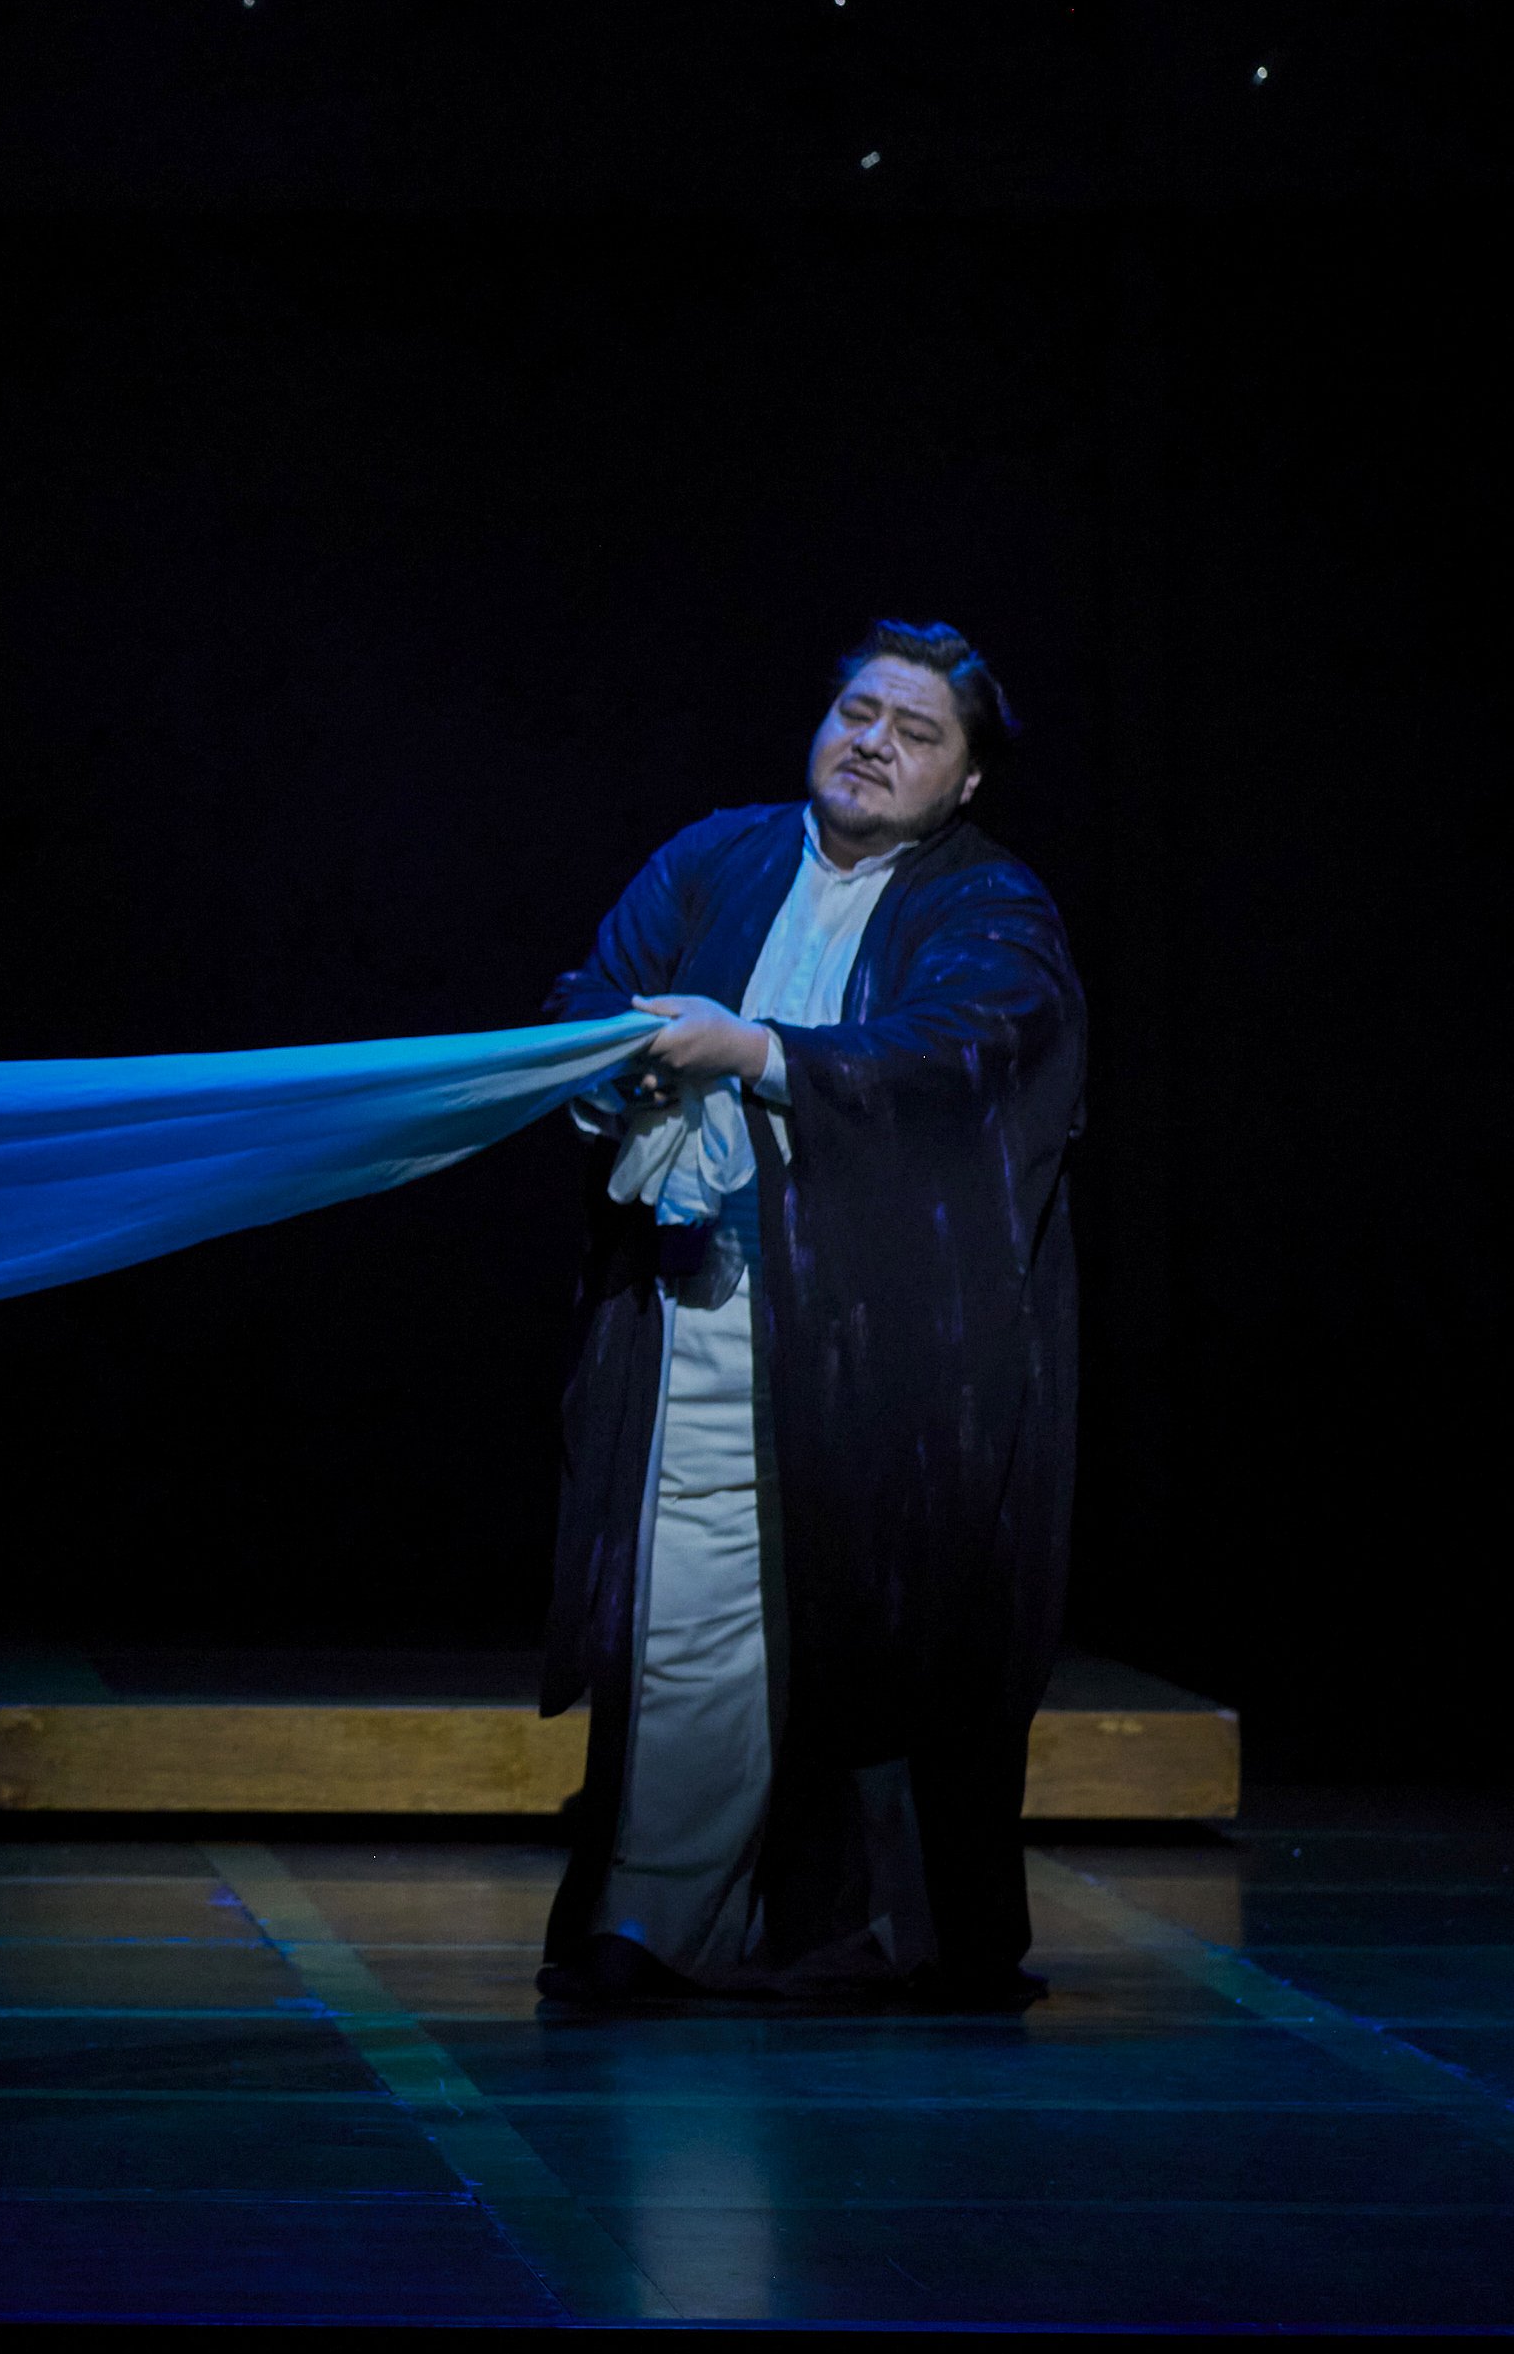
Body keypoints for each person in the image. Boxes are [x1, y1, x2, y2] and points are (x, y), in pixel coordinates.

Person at [534, 621, 1083, 2011]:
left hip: (883, 1356)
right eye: (858, 709)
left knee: (872, 1625)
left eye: (916, 730)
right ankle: (650, 1922)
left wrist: (759, 1049)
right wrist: (618, 1067)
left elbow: (965, 1049)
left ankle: (883, 1928)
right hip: (701, 1313)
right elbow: (593, 998)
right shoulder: (717, 857)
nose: (874, 742)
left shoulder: (987, 903)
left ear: (963, 781)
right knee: (687, 1618)